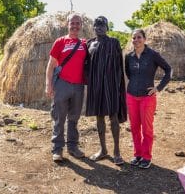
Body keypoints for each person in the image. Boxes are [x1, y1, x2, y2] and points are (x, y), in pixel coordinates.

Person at [125, 29, 171, 169]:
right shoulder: (129, 56)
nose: (136, 40)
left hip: (147, 97)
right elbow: (128, 73)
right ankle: (137, 154)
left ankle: (146, 157)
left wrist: (158, 88)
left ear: (144, 39)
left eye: (139, 37)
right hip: (131, 96)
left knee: (147, 129)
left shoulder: (152, 55)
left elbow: (168, 70)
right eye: (134, 38)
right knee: (134, 128)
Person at [85, 16, 127, 165]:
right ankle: (103, 150)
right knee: (99, 118)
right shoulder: (89, 44)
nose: (100, 27)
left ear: (107, 28)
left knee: (113, 117)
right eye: (97, 25)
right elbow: (85, 65)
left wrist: (119, 86)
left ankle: (117, 152)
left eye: (103, 25)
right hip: (96, 86)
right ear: (93, 27)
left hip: (111, 85)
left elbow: (119, 67)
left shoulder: (114, 42)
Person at [45, 13, 87, 162]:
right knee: (59, 117)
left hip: (78, 86)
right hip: (62, 84)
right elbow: (50, 65)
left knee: (74, 118)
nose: (75, 26)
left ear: (81, 25)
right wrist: (48, 84)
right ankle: (57, 149)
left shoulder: (84, 44)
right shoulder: (60, 42)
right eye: (72, 23)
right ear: (67, 24)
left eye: (78, 23)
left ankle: (73, 147)